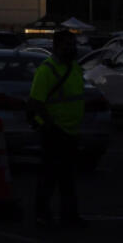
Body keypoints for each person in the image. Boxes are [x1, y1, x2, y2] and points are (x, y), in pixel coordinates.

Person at [27, 29, 87, 228]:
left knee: (68, 178)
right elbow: (36, 102)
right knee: (49, 177)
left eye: (73, 44)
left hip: (72, 132)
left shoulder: (75, 68)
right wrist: (50, 127)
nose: (71, 48)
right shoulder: (47, 70)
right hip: (55, 133)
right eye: (67, 45)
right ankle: (42, 215)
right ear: (56, 47)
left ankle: (69, 216)